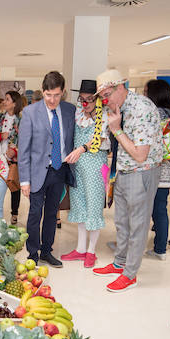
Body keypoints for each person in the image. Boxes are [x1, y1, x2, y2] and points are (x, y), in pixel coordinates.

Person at [92, 69, 164, 292]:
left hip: (142, 171)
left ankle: (130, 274)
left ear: (120, 86)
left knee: (138, 224)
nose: (104, 100)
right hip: (124, 170)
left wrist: (116, 130)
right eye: (102, 96)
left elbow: (141, 154)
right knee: (122, 222)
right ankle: (119, 262)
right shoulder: (116, 107)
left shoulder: (142, 108)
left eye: (106, 94)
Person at [17, 71, 77, 267]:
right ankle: (33, 253)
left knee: (52, 213)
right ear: (43, 92)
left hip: (59, 170)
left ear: (63, 92)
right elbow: (23, 149)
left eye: (57, 95)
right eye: (48, 95)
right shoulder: (30, 112)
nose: (52, 100)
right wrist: (24, 181)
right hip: (37, 172)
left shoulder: (70, 110)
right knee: (35, 213)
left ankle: (46, 251)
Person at [61, 79, 109, 268]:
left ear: (97, 99)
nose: (85, 103)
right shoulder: (79, 113)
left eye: (89, 99)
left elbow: (99, 139)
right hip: (77, 167)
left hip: (96, 166)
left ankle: (91, 251)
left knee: (94, 208)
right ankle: (80, 249)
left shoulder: (105, 116)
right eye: (82, 99)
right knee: (80, 206)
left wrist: (81, 149)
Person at [144, 79, 170, 260]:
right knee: (161, 207)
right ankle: (160, 247)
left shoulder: (156, 113)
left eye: (146, 91)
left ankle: (159, 249)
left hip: (158, 167)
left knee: (157, 209)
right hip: (167, 167)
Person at [0, 91, 25, 224]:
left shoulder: (22, 119)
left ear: (15, 103)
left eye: (7, 99)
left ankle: (14, 212)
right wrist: (1, 136)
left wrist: (15, 151)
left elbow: (25, 139)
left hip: (14, 159)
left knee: (14, 185)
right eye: (4, 99)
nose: (4, 102)